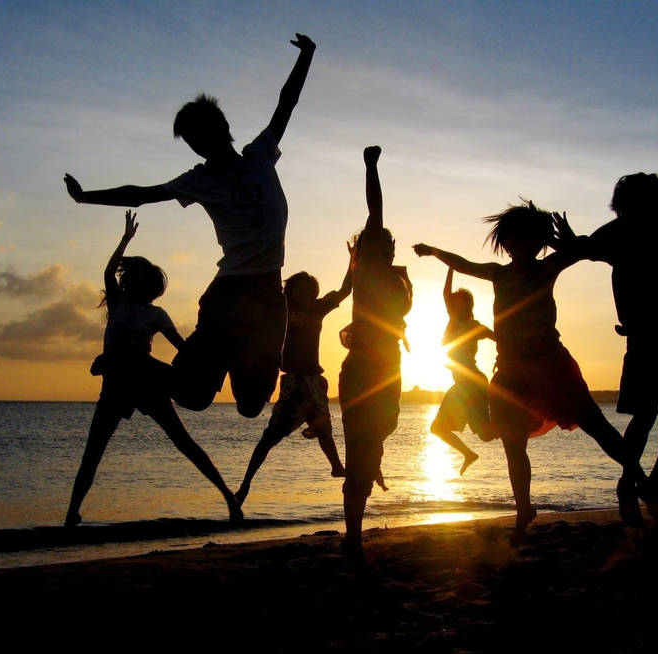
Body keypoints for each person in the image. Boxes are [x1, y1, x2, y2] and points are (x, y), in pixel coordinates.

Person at [63, 33, 317, 418]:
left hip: (267, 295)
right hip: (229, 292)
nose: (199, 146)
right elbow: (141, 193)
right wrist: (86, 197)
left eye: (201, 136)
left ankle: (227, 351)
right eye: (192, 142)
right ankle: (126, 364)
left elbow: (287, 103)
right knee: (193, 397)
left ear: (222, 127)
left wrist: (307, 56)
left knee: (251, 405)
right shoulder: (198, 179)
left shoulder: (260, 154)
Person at [414, 200, 658, 543]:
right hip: (509, 371)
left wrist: (560, 241)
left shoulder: (547, 267)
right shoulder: (498, 273)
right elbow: (463, 264)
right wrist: (434, 251)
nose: (520, 247)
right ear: (506, 243)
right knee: (512, 442)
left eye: (529, 240)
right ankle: (524, 508)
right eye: (514, 240)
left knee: (597, 426)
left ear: (538, 243)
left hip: (551, 365)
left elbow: (581, 251)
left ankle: (641, 483)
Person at [65, 211, 242, 527]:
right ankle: (71, 516)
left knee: (184, 443)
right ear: (136, 285)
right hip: (117, 387)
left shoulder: (157, 315)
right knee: (92, 454)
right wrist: (124, 241)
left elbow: (183, 348)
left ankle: (228, 496)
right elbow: (108, 272)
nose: (152, 294)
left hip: (147, 383)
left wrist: (207, 362)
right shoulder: (118, 305)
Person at [552, 173, 658, 525]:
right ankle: (636, 484)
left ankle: (646, 483)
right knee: (653, 414)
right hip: (655, 337)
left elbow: (585, 248)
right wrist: (570, 241)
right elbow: (584, 248)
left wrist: (571, 241)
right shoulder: (628, 232)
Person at [339, 146, 412, 562]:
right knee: (359, 452)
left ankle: (371, 461)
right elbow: (376, 211)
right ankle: (353, 536)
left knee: (384, 429)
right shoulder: (365, 274)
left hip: (391, 371)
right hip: (362, 371)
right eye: (375, 245)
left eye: (388, 247)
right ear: (364, 252)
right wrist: (371, 166)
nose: (383, 250)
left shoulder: (394, 279)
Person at [234, 254, 353, 507]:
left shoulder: (318, 307)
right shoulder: (281, 306)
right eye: (302, 288)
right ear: (292, 289)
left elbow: (345, 290)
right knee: (269, 438)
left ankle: (337, 467)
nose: (308, 292)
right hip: (293, 382)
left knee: (324, 430)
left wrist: (353, 262)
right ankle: (245, 484)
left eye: (312, 289)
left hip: (315, 381)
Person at [430, 269, 496, 475]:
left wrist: (502, 357)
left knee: (485, 434)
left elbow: (499, 338)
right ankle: (469, 454)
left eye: (457, 302)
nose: (452, 303)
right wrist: (450, 267)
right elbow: (445, 294)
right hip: (462, 384)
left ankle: (513, 424)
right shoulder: (453, 322)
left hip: (472, 382)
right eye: (453, 302)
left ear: (466, 306)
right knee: (439, 428)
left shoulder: (474, 326)